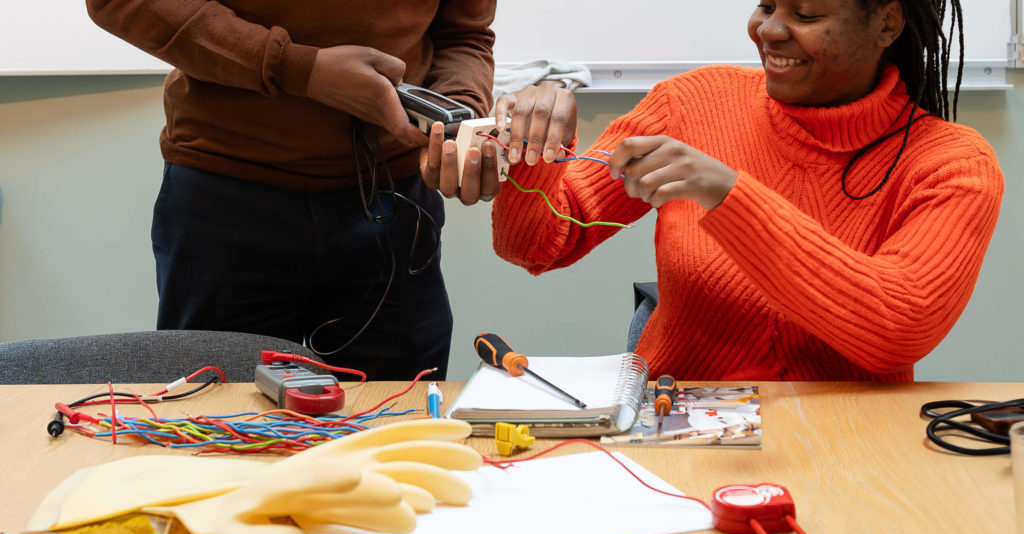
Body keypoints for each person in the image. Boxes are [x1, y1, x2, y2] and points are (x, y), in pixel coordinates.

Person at [438, 0, 1004, 381]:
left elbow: (897, 328)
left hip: (853, 446)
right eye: (765, 5)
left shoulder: (952, 162)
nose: (770, 30)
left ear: (887, 23)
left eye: (805, 13)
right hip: (674, 430)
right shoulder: (694, 102)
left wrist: (730, 194)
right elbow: (540, 245)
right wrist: (537, 153)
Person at [85, 1, 497, 380]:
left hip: (394, 205)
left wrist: (458, 123)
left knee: (397, 432)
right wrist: (299, 69)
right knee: (221, 438)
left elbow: (463, 34)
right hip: (227, 200)